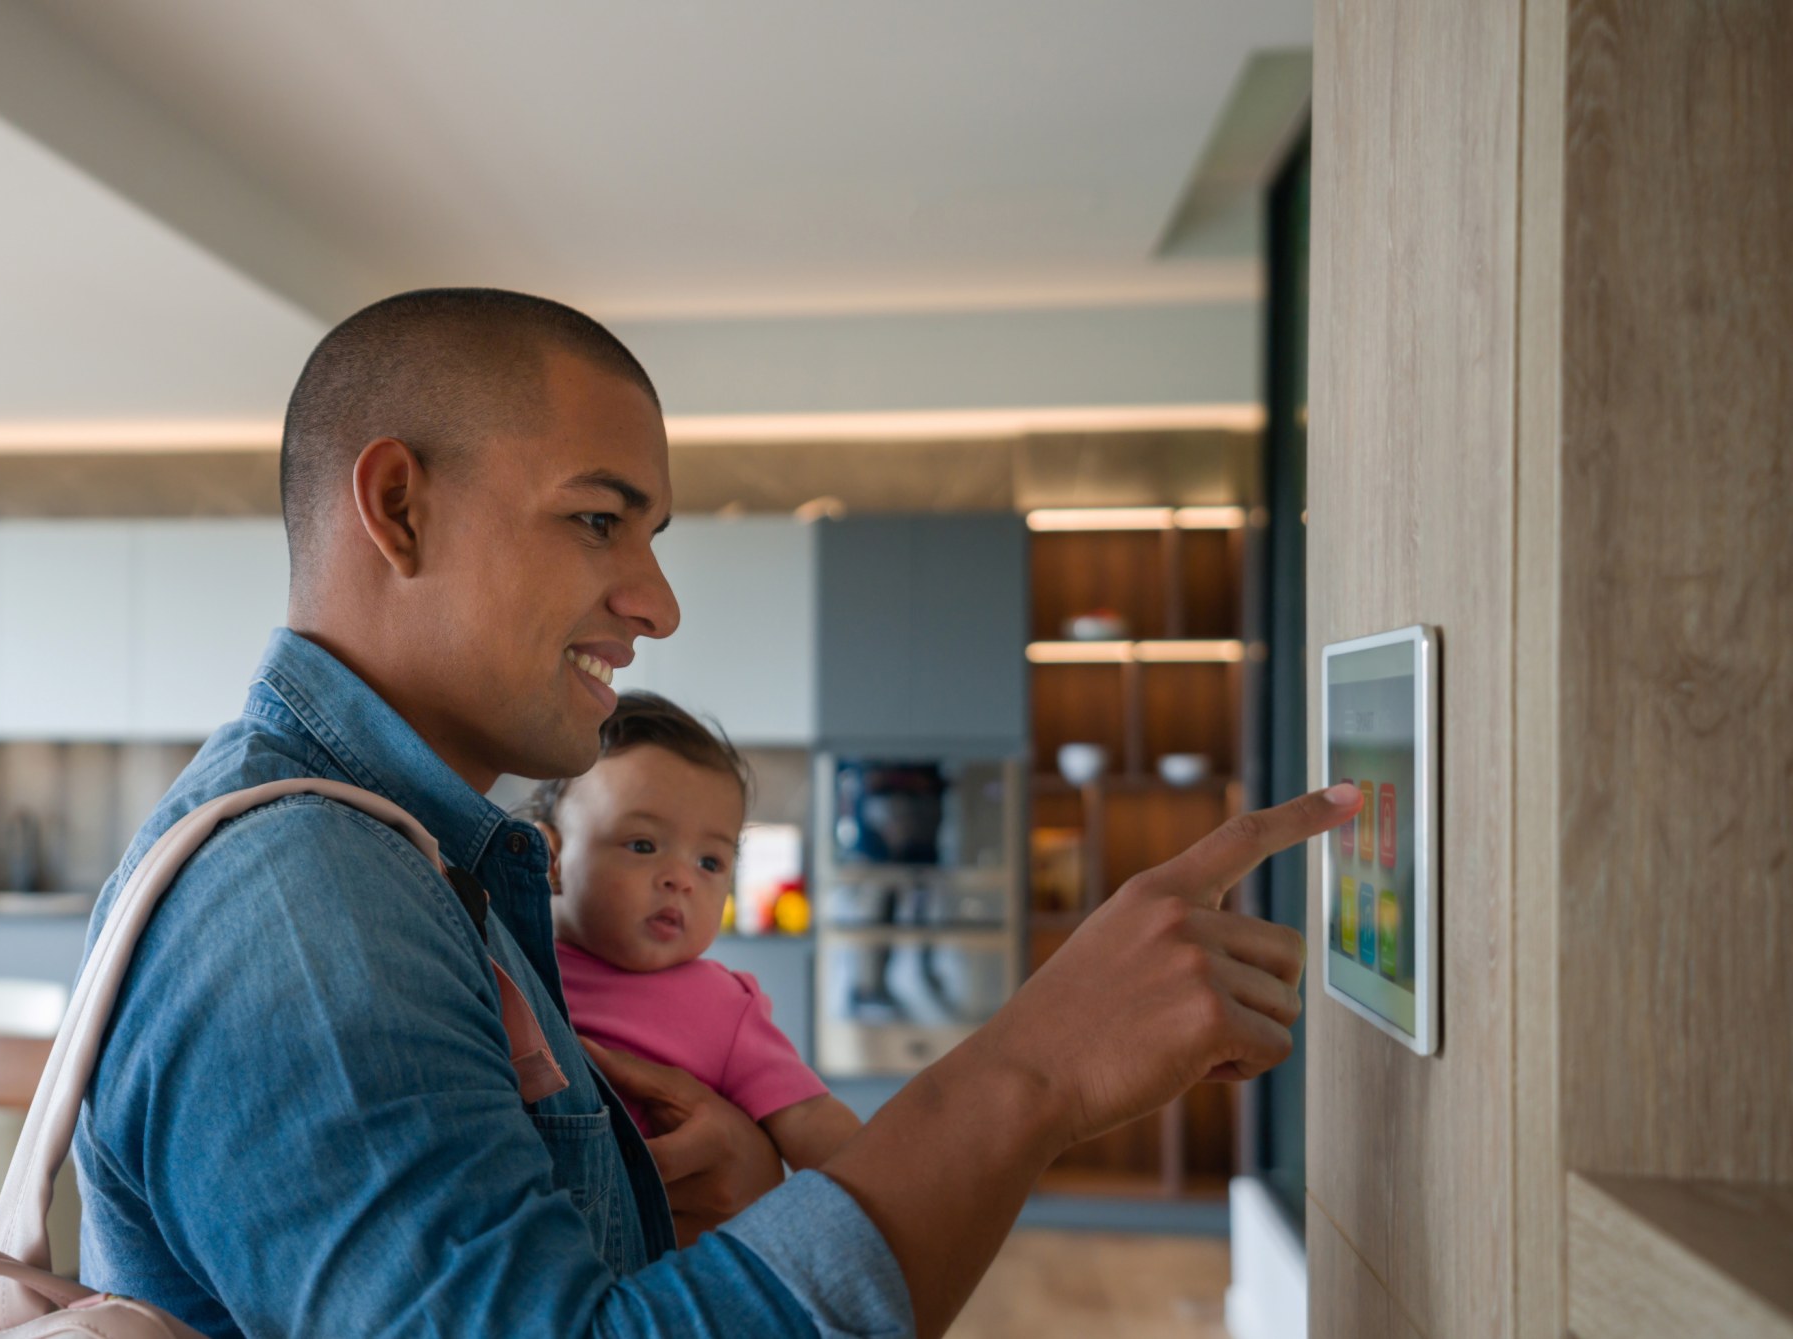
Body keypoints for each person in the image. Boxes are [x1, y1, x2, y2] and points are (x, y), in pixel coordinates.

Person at [72, 288, 1351, 1338]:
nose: (656, 602)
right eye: (596, 520)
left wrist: (697, 1203)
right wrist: (1035, 1068)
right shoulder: (310, 906)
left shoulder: (411, 867)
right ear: (399, 507)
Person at [518, 690, 861, 1215]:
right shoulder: (505, 957)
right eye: (642, 845)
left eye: (709, 861)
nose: (680, 879)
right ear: (552, 858)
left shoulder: (722, 1006)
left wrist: (891, 1203)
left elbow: (814, 1124)